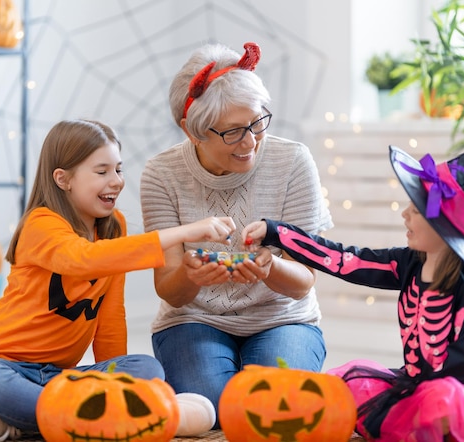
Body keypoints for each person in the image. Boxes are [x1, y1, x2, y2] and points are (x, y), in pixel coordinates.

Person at [242, 115, 464, 441]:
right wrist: (277, 232)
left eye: (415, 210)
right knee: (345, 390)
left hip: (461, 391)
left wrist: (429, 402)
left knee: (443, 410)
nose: (405, 215)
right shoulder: (408, 264)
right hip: (414, 383)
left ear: (445, 229)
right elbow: (346, 260)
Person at [0, 119, 236, 442]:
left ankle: (17, 424)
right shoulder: (41, 224)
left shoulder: (114, 225)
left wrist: (120, 383)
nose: (115, 181)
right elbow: (83, 259)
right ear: (63, 179)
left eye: (118, 169)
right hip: (3, 366)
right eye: (101, 172)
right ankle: (129, 418)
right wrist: (184, 233)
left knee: (145, 369)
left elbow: (110, 315)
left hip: (60, 379)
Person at [140, 41, 332, 427]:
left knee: (273, 412)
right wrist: (191, 277)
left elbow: (304, 282)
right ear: (192, 131)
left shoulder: (293, 161)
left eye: (257, 122)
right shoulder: (161, 175)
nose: (250, 142)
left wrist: (269, 269)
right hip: (193, 320)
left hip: (284, 319)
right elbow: (169, 290)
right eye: (232, 132)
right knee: (211, 409)